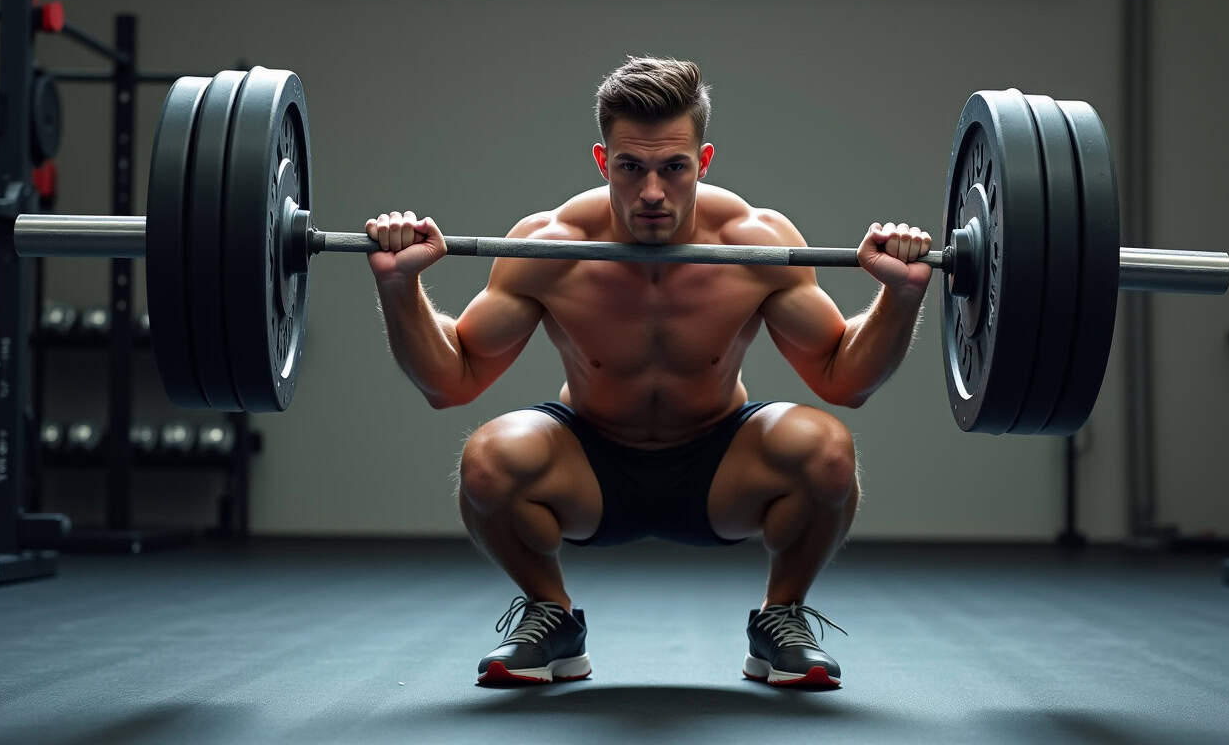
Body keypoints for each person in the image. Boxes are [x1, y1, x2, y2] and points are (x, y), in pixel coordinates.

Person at [365, 57, 931, 689]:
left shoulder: (755, 242)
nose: (653, 192)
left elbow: (843, 379)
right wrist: (400, 286)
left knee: (826, 450)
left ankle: (781, 618)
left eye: (674, 167)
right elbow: (451, 380)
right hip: (590, 464)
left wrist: (900, 297)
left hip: (720, 465)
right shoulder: (548, 247)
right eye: (631, 168)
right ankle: (552, 616)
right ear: (605, 162)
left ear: (704, 161)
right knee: (488, 459)